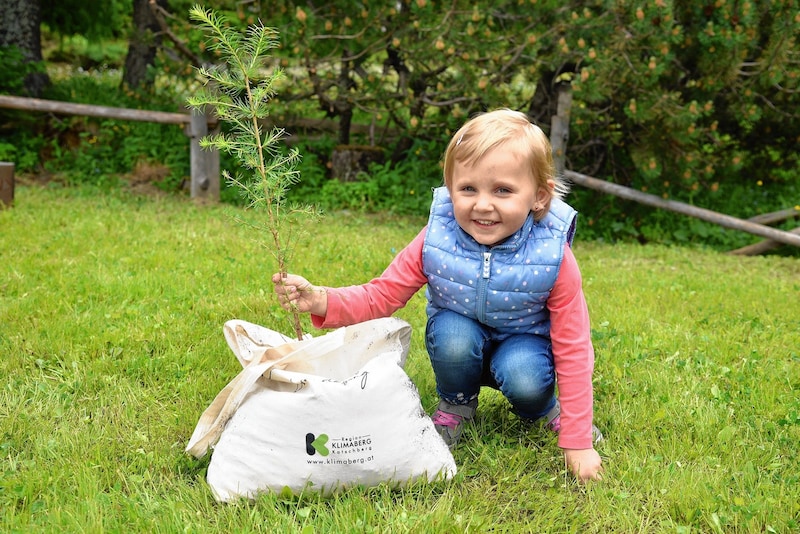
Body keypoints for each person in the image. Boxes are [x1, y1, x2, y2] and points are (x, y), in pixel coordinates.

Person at [272, 108, 603, 482]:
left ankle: (542, 409)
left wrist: (578, 441)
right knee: (452, 335)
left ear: (539, 197)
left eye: (503, 190)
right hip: (460, 338)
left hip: (523, 343)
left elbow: (574, 346)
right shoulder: (437, 239)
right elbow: (382, 294)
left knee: (524, 376)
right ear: (450, 189)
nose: (482, 204)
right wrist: (321, 300)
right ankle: (457, 405)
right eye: (468, 188)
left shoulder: (553, 256)